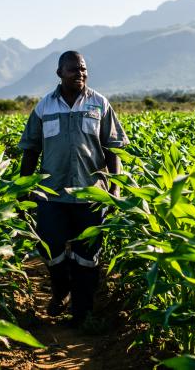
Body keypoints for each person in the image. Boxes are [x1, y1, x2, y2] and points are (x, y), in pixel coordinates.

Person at [18, 50, 129, 326]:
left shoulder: (99, 104)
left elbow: (112, 149)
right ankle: (60, 290)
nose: (80, 73)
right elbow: (30, 150)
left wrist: (114, 188)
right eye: (73, 69)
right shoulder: (44, 107)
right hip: (51, 194)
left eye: (83, 69)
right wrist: (22, 189)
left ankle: (83, 312)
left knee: (87, 257)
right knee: (51, 249)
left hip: (91, 192)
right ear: (59, 73)